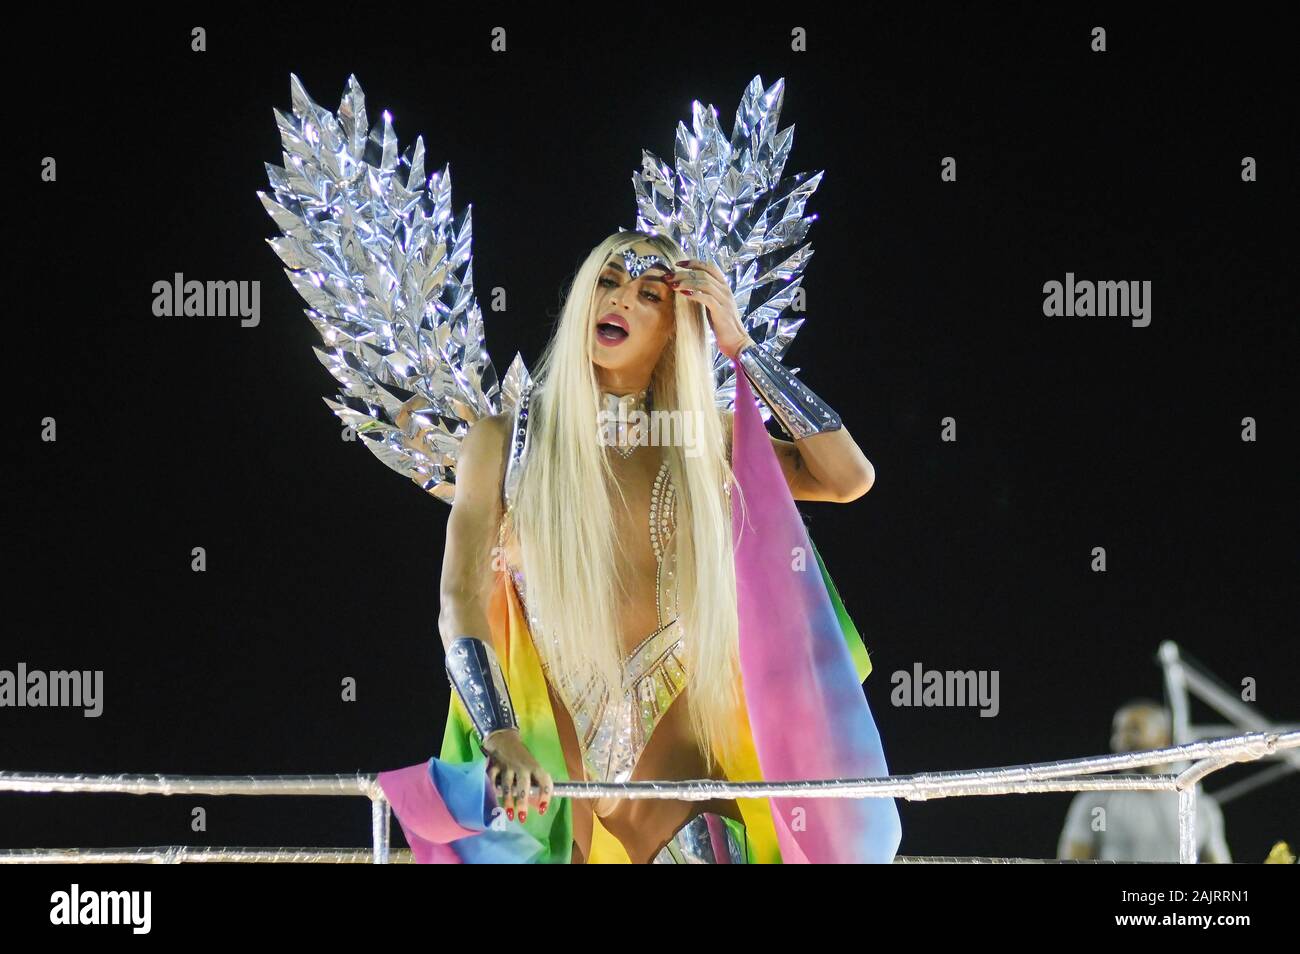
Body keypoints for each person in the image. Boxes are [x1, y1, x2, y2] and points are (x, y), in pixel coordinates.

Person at [378, 230, 901, 862]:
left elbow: (848, 477)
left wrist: (740, 347)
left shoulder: (708, 448)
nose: (619, 300)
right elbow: (458, 599)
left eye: (648, 293)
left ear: (677, 329)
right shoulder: (505, 443)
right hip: (550, 769)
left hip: (685, 777)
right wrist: (500, 734)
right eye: (606, 282)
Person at [1058, 699, 1231, 862]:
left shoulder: (1199, 805)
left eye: (1134, 729)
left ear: (1164, 738)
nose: (1122, 738)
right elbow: (1070, 861)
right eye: (1118, 730)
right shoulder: (1096, 801)